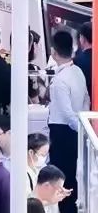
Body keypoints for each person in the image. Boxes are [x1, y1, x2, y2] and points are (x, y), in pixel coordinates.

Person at [47, 26, 88, 213]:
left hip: (63, 132)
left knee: (62, 178)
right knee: (73, 176)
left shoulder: (60, 80)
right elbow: (86, 100)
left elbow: (66, 113)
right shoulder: (77, 71)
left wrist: (79, 127)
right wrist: (84, 126)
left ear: (54, 52)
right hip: (76, 130)